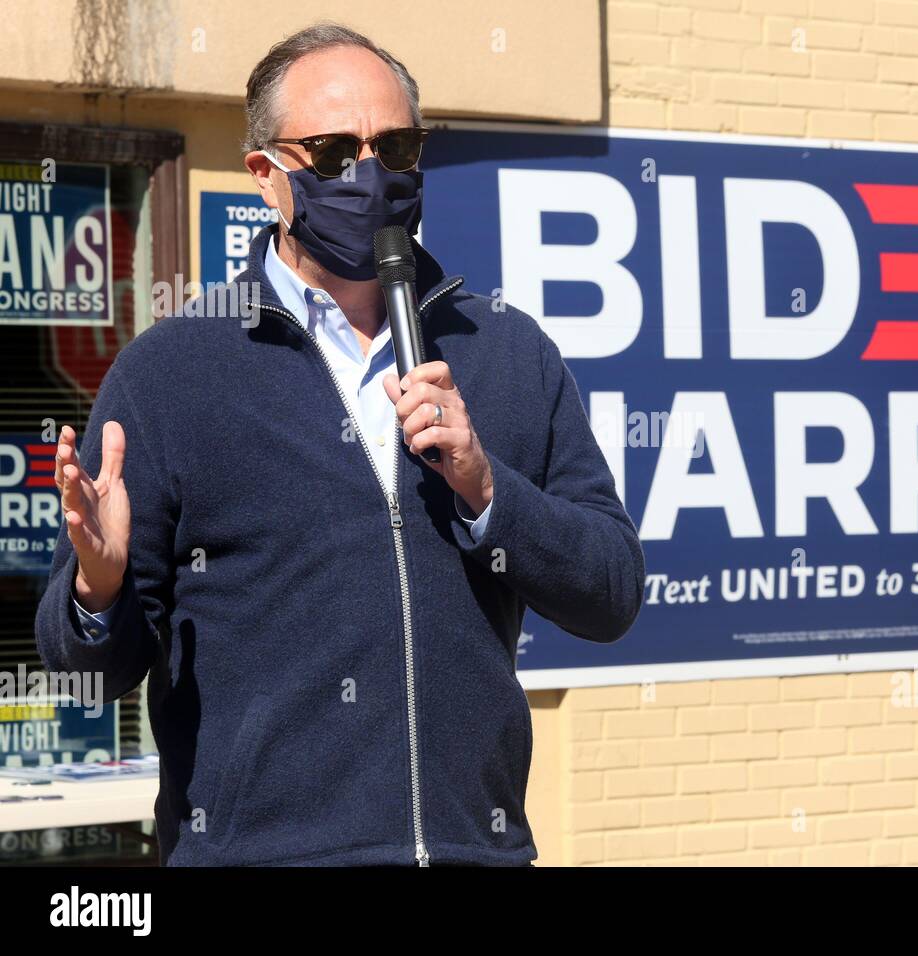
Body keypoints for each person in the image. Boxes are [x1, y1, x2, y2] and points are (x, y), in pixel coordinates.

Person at [35, 21, 644, 867]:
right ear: (266, 177)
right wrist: (97, 590)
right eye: (330, 153)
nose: (369, 175)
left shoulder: (505, 351)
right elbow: (93, 675)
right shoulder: (171, 375)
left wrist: (486, 488)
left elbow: (611, 593)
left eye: (395, 147)